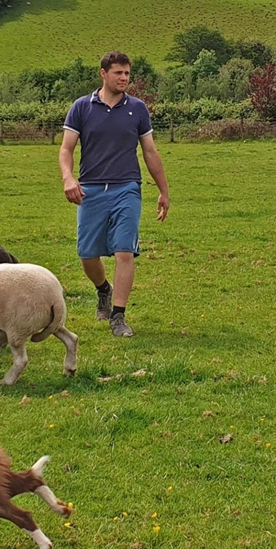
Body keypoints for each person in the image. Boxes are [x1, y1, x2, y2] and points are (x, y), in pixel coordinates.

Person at [58, 51, 169, 337]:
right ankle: (103, 290)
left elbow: (150, 151)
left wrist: (163, 191)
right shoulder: (82, 108)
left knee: (124, 251)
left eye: (127, 74)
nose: (124, 78)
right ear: (103, 74)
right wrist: (68, 178)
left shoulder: (138, 109)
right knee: (87, 254)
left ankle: (118, 316)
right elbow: (66, 149)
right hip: (91, 189)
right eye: (118, 73)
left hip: (127, 188)